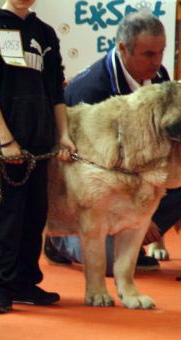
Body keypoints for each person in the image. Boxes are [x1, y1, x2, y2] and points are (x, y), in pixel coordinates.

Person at [44, 10, 181, 277]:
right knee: (108, 263)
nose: (157, 62)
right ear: (123, 49)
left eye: (161, 52)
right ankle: (58, 240)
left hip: (139, 185)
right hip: (88, 193)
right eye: (148, 54)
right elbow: (80, 171)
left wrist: (146, 210)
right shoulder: (90, 89)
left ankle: (136, 235)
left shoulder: (161, 78)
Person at [0, 0, 76, 314]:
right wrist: (5, 139)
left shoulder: (45, 33)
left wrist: (63, 135)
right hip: (7, 150)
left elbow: (55, 90)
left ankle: (25, 283)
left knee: (33, 217)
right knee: (5, 218)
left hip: (39, 147)